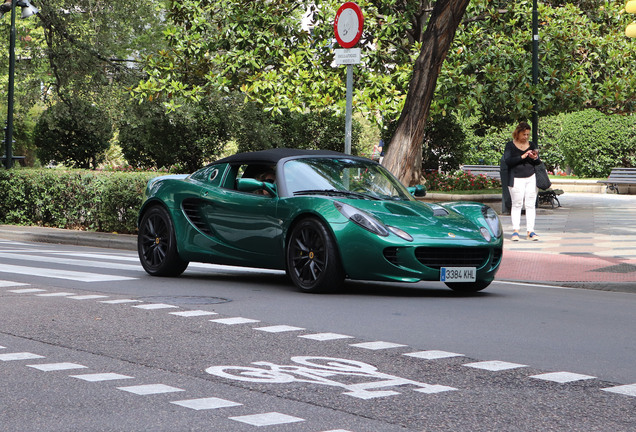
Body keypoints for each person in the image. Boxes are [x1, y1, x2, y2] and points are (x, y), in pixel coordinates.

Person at [503, 121, 541, 241]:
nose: (526, 137)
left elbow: (537, 162)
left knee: (530, 204)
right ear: (518, 133)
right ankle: (516, 230)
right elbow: (508, 161)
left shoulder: (531, 144)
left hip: (531, 177)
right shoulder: (510, 145)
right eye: (524, 134)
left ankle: (530, 230)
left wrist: (534, 157)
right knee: (517, 204)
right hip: (516, 178)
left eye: (528, 135)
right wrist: (522, 156)